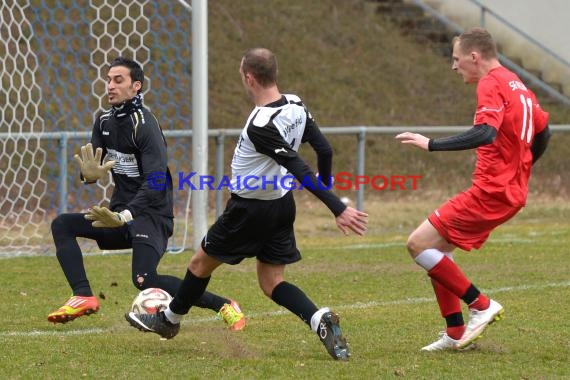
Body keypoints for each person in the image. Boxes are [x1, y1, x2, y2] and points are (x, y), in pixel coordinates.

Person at [125, 48, 368, 361]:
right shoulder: (295, 104)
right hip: (281, 206)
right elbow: (325, 149)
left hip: (249, 210)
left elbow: (298, 166)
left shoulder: (260, 123)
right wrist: (329, 182)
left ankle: (168, 320)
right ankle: (319, 319)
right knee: (272, 282)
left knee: (199, 264)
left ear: (249, 78)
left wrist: (338, 208)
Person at [48, 57, 246, 331]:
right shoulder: (103, 121)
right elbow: (92, 166)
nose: (110, 86)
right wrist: (87, 176)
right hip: (118, 215)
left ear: (136, 86)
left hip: (151, 215)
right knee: (62, 225)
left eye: (118, 80)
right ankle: (83, 295)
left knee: (144, 279)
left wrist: (126, 215)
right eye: (108, 80)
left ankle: (224, 305)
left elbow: (154, 183)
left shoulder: (145, 125)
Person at [395, 27, 551, 351]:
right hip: (507, 190)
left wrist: (431, 144)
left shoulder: (491, 83)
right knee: (439, 251)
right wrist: (520, 169)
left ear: (474, 57)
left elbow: (484, 133)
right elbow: (544, 131)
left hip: (491, 191)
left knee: (417, 244)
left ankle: (481, 304)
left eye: (456, 59)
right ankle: (454, 333)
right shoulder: (516, 83)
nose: (454, 67)